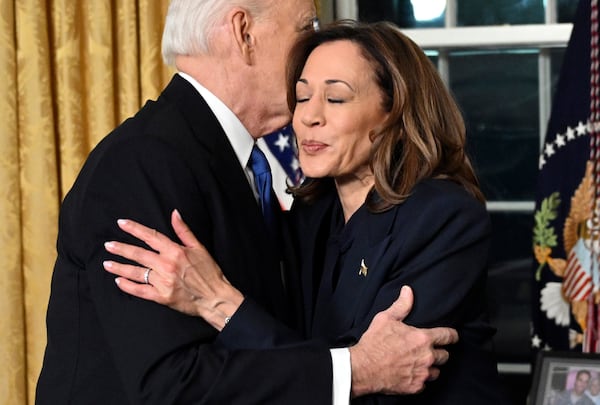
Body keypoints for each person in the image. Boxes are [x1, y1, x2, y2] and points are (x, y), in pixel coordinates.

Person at [35, 2, 458, 404]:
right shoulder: (144, 162)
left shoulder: (235, 162)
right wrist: (357, 371)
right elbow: (169, 385)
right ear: (244, 33)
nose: (315, 46)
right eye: (306, 27)